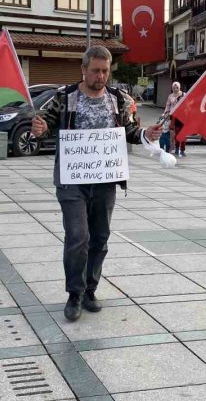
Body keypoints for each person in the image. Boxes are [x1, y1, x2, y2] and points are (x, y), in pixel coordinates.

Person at [31, 46, 163, 322]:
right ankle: (74, 293)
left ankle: (90, 289)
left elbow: (128, 130)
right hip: (72, 180)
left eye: (105, 71)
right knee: (78, 236)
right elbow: (47, 126)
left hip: (105, 180)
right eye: (95, 71)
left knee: (100, 237)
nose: (100, 76)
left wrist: (146, 134)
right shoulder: (65, 97)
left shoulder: (117, 99)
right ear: (83, 70)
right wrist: (40, 130)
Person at [164, 82, 187, 157]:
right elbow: (168, 105)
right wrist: (166, 113)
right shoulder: (170, 96)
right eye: (174, 88)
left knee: (183, 134)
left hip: (183, 117)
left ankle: (182, 150)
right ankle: (175, 148)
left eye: (177, 88)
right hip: (173, 117)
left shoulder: (184, 95)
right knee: (175, 134)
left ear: (179, 87)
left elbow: (188, 104)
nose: (175, 89)